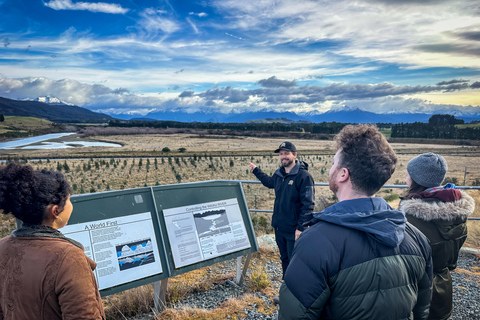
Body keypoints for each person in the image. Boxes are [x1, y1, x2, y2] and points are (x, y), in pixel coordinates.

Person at [279, 124, 433, 320]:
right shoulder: (417, 239)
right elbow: (423, 310)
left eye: (334, 163)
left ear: (343, 174)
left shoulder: (315, 243)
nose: (330, 168)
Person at [0, 163, 105, 320]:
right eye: (69, 200)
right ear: (56, 211)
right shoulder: (68, 258)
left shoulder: (3, 246)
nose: (71, 204)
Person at [399, 153, 474, 320]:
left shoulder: (410, 218)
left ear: (416, 179)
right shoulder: (458, 213)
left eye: (407, 174)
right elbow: (452, 260)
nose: (406, 178)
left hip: (415, 291)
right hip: (443, 290)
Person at [249, 141, 315, 279]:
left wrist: (301, 228)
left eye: (286, 153)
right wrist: (256, 170)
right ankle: (286, 289)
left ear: (294, 155)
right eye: (281, 154)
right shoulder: (279, 174)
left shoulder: (304, 177)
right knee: (284, 259)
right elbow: (269, 182)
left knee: (295, 263)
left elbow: (308, 204)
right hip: (279, 228)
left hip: (293, 230)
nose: (283, 156)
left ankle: (296, 294)